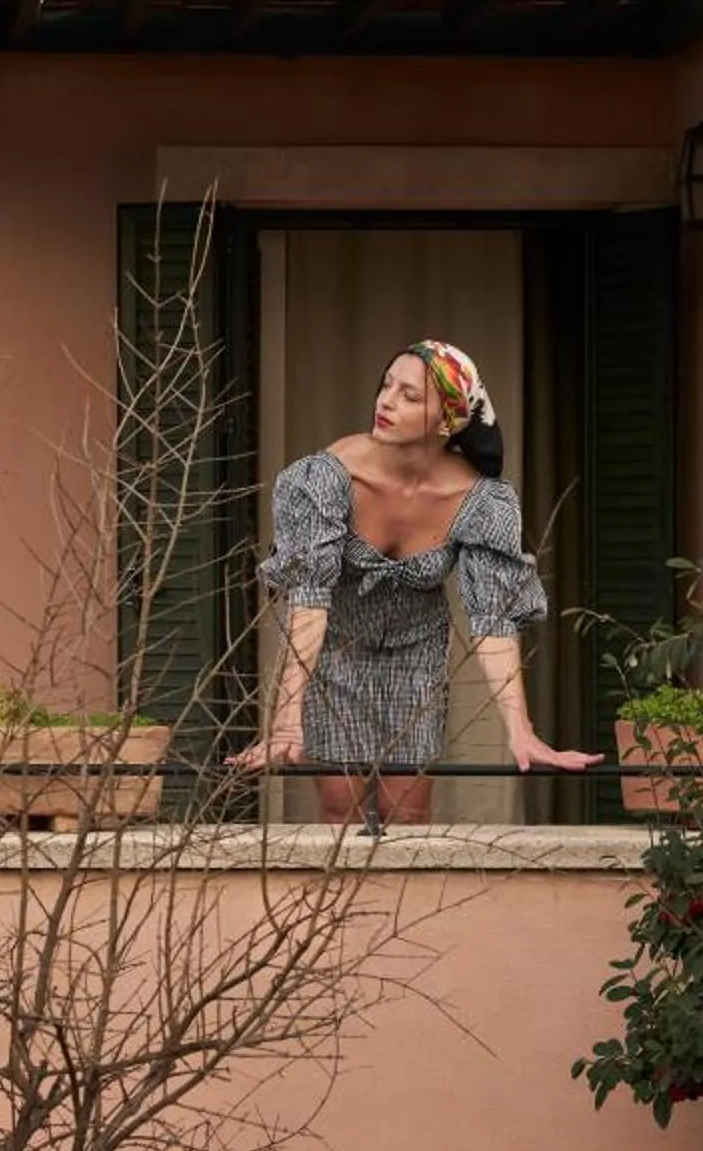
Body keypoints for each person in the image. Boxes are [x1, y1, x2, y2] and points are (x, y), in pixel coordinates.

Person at [232, 339, 599, 821]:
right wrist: (285, 720)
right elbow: (308, 598)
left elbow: (492, 620)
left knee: (406, 812)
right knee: (340, 810)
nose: (386, 402)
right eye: (387, 385)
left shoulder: (480, 500)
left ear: (447, 420)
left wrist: (520, 731)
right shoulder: (324, 478)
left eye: (409, 396)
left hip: (417, 650)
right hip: (334, 646)